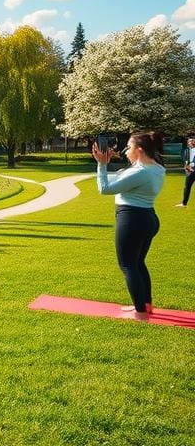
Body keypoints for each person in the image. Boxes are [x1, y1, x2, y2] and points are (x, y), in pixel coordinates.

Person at [93, 131, 166, 319]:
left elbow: (105, 189)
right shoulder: (156, 168)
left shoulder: (141, 171)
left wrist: (101, 165)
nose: (126, 151)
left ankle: (140, 312)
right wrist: (110, 167)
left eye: (129, 147)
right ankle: (146, 305)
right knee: (138, 263)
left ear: (139, 150)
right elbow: (123, 179)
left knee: (127, 265)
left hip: (133, 220)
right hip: (147, 218)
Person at [175, 136, 195, 208]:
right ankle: (184, 204)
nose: (189, 143)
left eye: (191, 141)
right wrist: (187, 167)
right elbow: (185, 159)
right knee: (187, 187)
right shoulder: (186, 150)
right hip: (190, 171)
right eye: (188, 141)